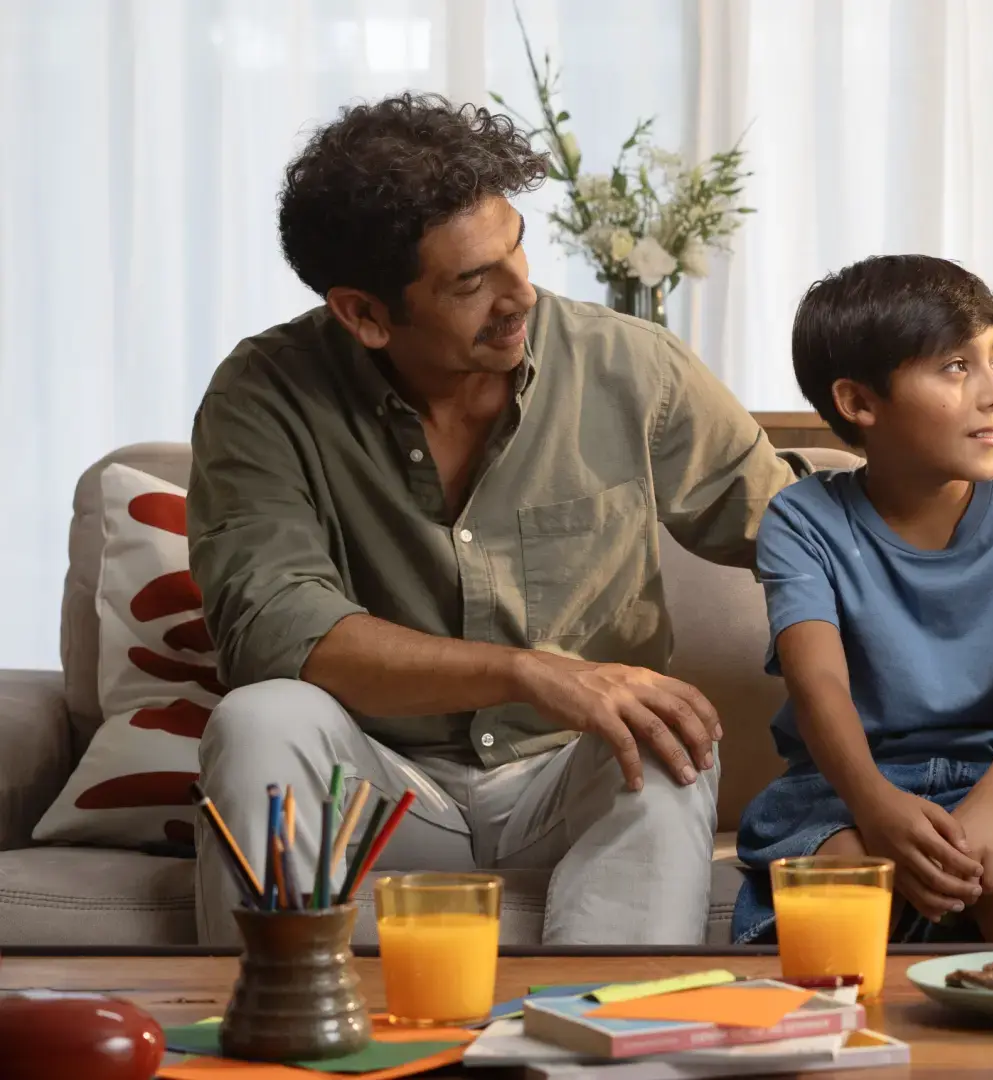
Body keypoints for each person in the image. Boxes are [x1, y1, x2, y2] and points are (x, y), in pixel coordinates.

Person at [187, 93, 802, 945]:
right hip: (376, 781)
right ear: (364, 314)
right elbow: (279, 632)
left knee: (666, 736)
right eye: (471, 283)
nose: (521, 296)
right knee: (261, 718)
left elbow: (800, 535)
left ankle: (603, 1045)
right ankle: (286, 1036)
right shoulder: (264, 396)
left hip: (573, 776)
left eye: (517, 250)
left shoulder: (632, 367)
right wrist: (527, 671)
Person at [730, 255, 993, 945]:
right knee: (844, 877)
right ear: (859, 403)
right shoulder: (801, 521)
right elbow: (817, 682)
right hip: (849, 789)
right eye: (954, 367)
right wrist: (877, 806)